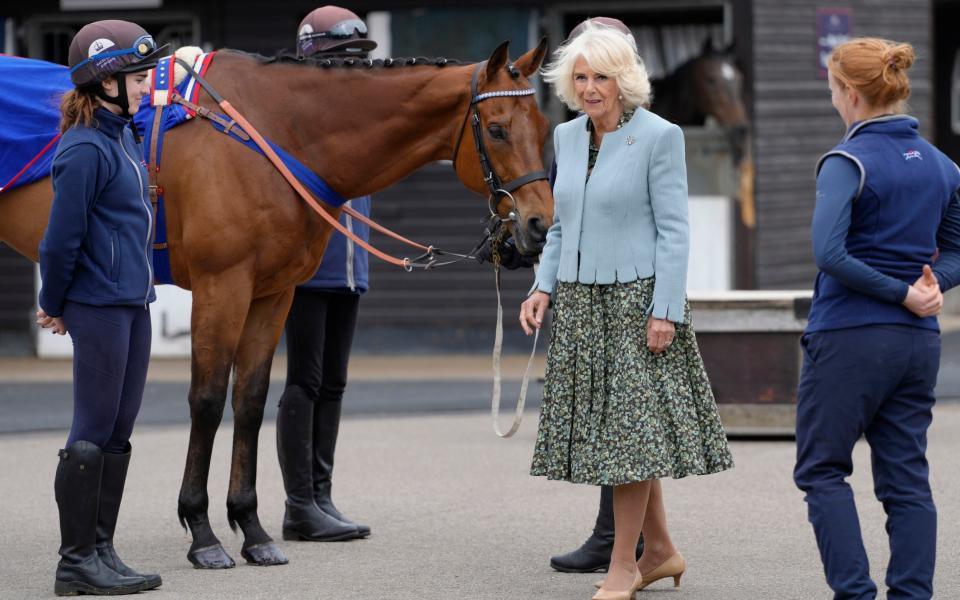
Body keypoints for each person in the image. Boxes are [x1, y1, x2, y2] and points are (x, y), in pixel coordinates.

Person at [520, 21, 734, 600]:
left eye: (602, 77)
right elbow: (562, 226)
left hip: (639, 304)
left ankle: (625, 566)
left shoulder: (661, 136)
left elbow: (674, 231)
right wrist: (543, 287)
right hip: (583, 307)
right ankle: (661, 550)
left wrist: (665, 310)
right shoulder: (565, 138)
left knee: (629, 438)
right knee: (626, 436)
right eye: (581, 76)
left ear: (624, 79)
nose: (590, 88)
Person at [793, 38, 960, 600]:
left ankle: (856, 596)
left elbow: (829, 254)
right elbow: (956, 251)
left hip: (850, 337)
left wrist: (900, 292)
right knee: (907, 481)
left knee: (821, 471)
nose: (833, 100)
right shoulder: (942, 164)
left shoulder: (847, 161)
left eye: (834, 90)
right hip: (917, 344)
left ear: (852, 94)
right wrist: (929, 289)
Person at [36, 19, 167, 596]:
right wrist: (54, 302)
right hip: (98, 303)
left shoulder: (122, 137)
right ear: (107, 81)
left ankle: (102, 549)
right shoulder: (84, 147)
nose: (146, 86)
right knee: (91, 427)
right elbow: (60, 239)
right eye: (139, 77)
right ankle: (74, 563)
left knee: (119, 428)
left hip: (132, 302)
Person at [275, 5, 375, 542]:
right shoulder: (298, 113)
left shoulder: (357, 113)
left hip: (351, 262)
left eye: (356, 59)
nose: (351, 68)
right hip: (310, 262)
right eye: (342, 58)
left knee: (333, 382)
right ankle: (299, 505)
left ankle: (322, 495)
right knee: (306, 379)